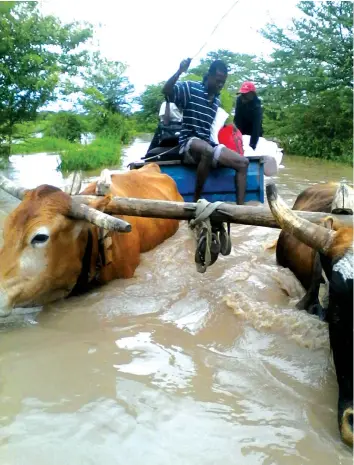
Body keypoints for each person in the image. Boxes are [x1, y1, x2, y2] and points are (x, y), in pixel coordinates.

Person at [163, 58, 249, 204]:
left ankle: (241, 210)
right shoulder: (191, 88)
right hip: (188, 143)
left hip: (206, 143)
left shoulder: (216, 101)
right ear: (209, 76)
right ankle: (196, 199)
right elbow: (166, 91)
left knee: (244, 163)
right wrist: (180, 71)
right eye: (217, 80)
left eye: (223, 82)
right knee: (207, 151)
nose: (220, 85)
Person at [233, 81, 263, 151]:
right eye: (242, 94)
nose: (243, 97)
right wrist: (237, 138)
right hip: (243, 127)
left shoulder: (257, 106)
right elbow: (237, 120)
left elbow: (256, 127)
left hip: (253, 130)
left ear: (252, 94)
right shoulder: (239, 100)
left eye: (245, 95)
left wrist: (252, 146)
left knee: (253, 147)